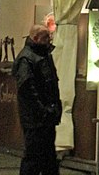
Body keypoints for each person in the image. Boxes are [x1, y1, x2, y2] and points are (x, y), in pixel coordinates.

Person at [13, 24, 61, 175]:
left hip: (45, 115)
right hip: (35, 118)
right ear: (36, 38)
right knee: (34, 156)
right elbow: (27, 90)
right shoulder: (27, 58)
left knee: (47, 157)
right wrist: (43, 110)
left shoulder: (43, 55)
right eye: (46, 37)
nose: (49, 40)